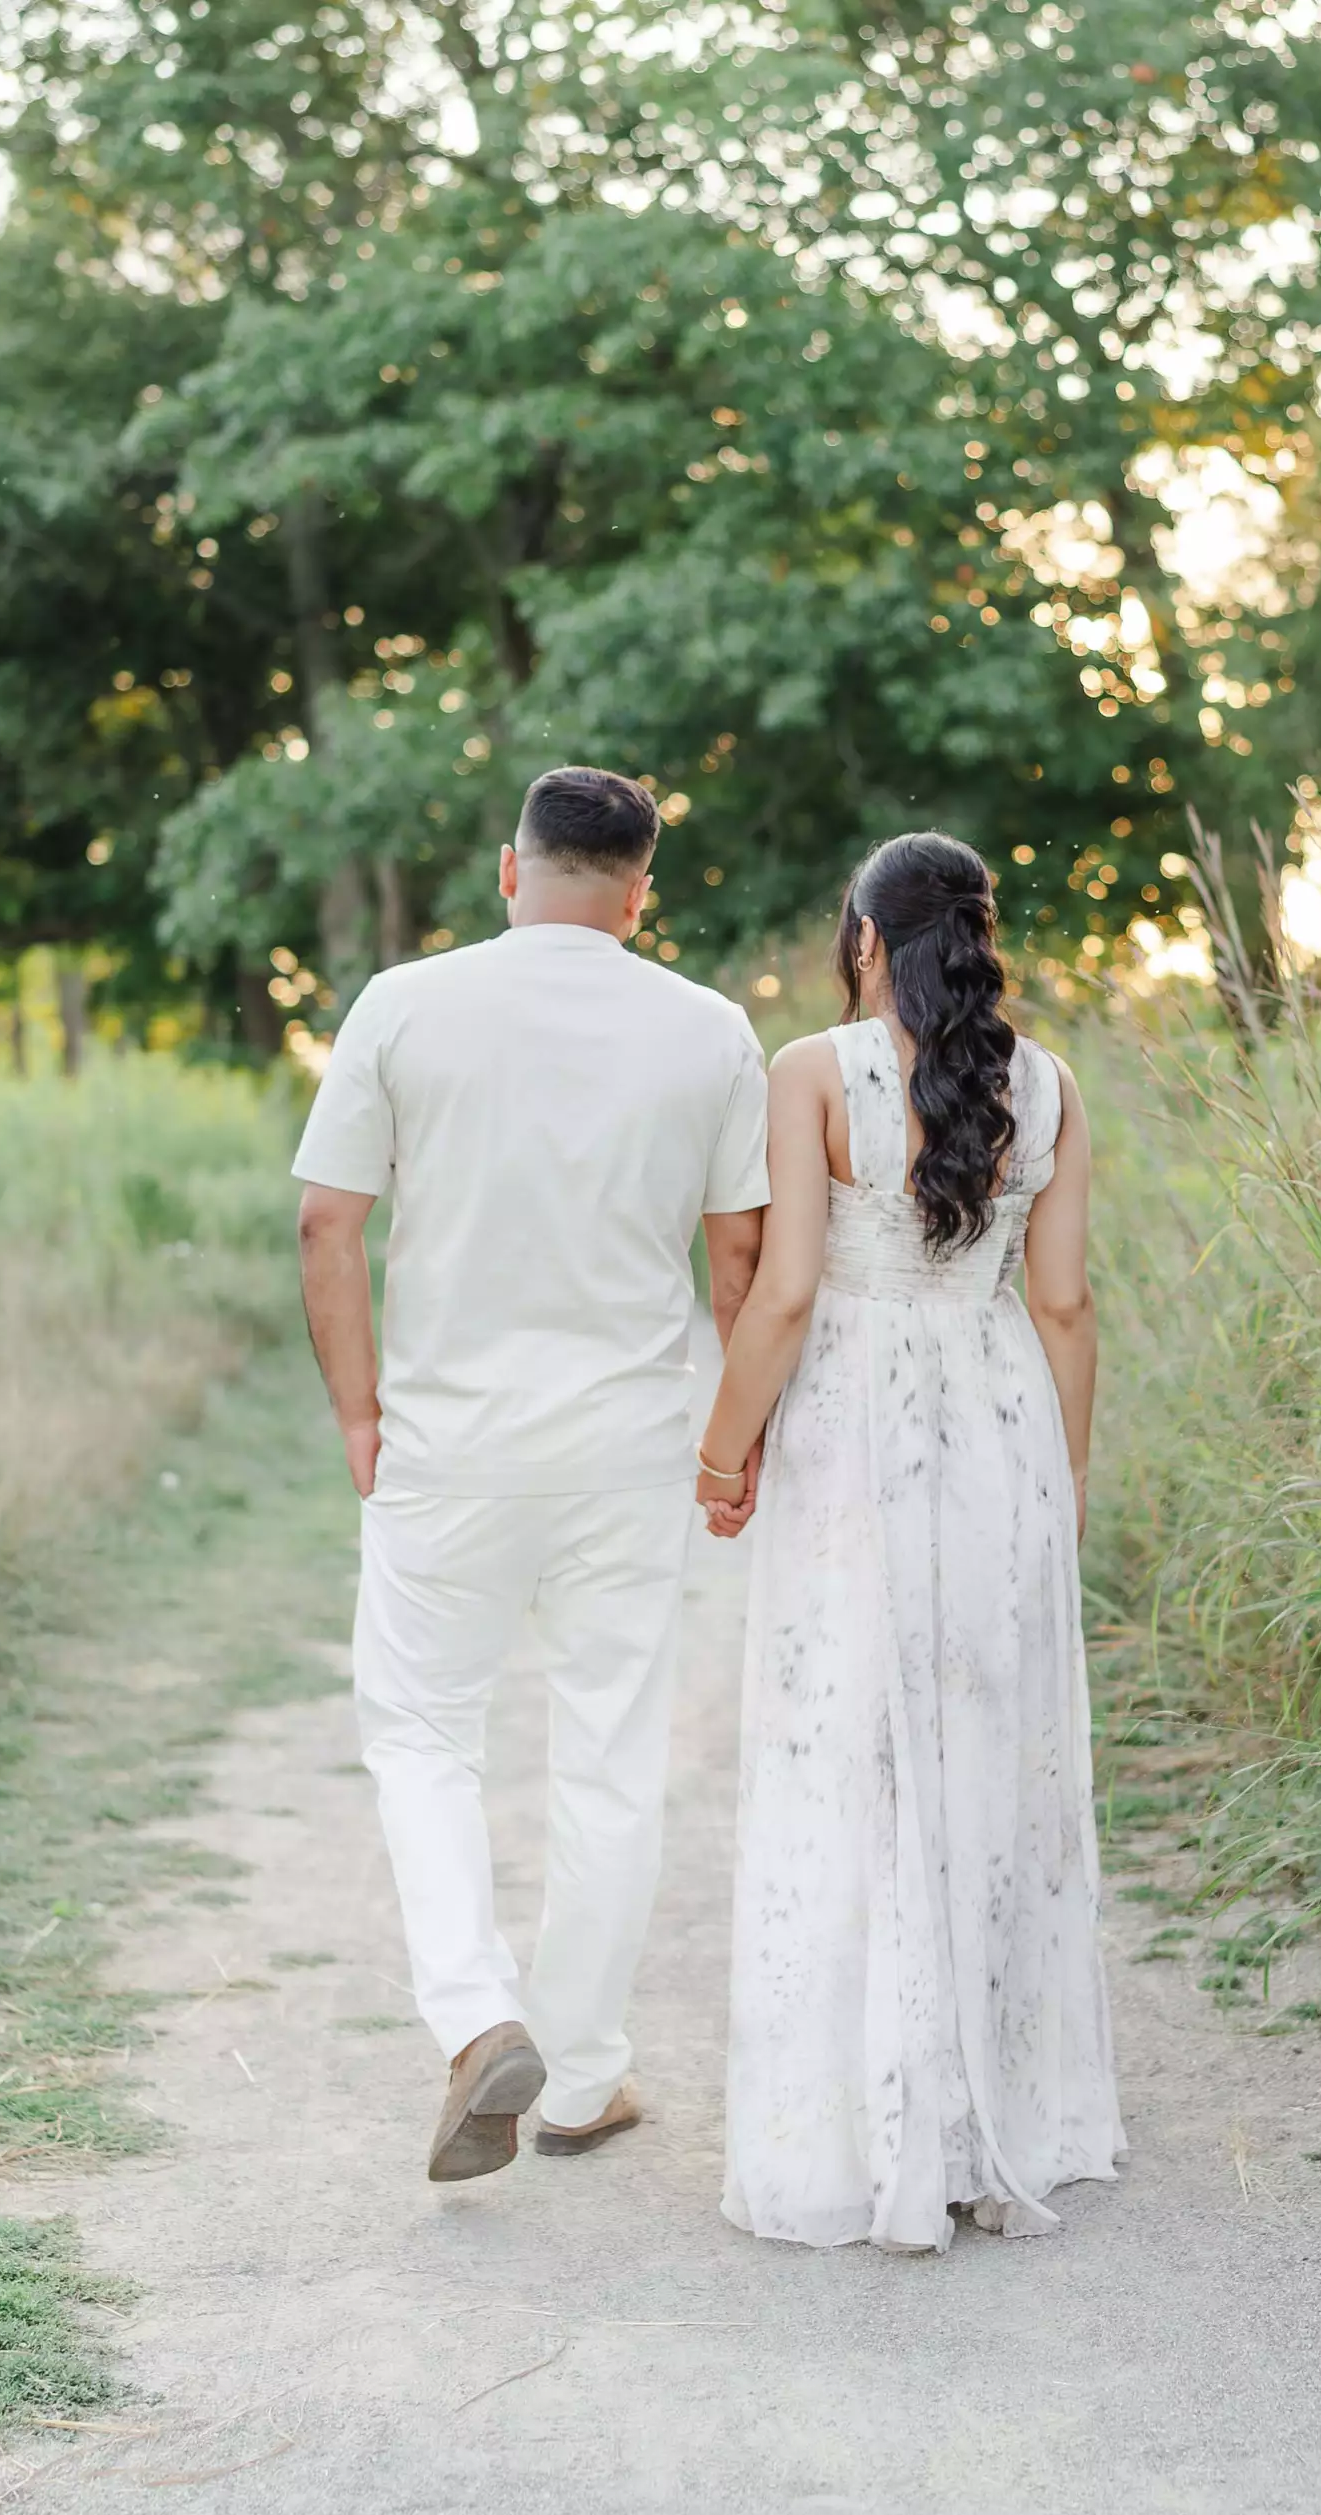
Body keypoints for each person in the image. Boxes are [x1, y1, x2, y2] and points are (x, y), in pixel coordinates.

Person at [292, 767, 771, 2182]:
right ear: (639, 894)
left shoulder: (404, 1003)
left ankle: (475, 2010)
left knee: (422, 1728)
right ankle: (581, 2080)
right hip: (628, 1449)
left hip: (451, 1441)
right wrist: (731, 1441)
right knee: (611, 1750)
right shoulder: (710, 1029)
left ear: (512, 872)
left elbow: (328, 1223)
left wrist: (357, 1409)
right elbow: (737, 1259)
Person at [694, 832, 1125, 2250]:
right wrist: (1059, 1476)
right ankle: (977, 2124)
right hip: (997, 1418)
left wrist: (723, 1446)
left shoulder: (812, 1071)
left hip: (856, 1436)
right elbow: (1062, 1307)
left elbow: (787, 1291)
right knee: (979, 1754)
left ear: (865, 938)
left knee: (847, 1753)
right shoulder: (1049, 1084)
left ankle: (865, 2129)